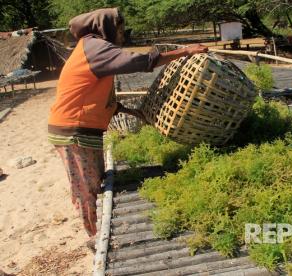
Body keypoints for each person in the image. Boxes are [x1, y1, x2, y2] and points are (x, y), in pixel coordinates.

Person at [47, 8, 208, 249]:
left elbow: (93, 92)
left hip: (79, 128)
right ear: (107, 28)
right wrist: (184, 51)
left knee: (94, 180)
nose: (123, 34)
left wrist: (131, 111)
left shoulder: (91, 47)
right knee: (85, 187)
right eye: (120, 29)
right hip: (73, 130)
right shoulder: (95, 47)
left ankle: (96, 230)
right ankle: (95, 238)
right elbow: (138, 61)